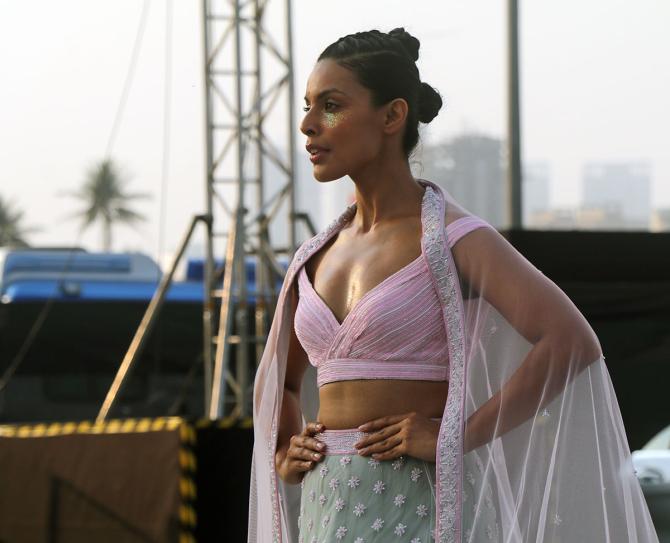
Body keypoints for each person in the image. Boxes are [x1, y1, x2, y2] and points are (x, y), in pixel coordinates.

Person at [248, 28, 658, 543]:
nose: (308, 125)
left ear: (393, 116)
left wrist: (454, 436)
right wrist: (285, 452)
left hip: (423, 507)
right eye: (308, 106)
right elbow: (281, 382)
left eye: (330, 106)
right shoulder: (315, 256)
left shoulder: (454, 239)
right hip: (325, 508)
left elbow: (570, 342)